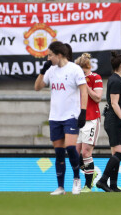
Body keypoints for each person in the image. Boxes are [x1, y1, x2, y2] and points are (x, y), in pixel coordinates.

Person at [34, 41, 88, 195]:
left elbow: (83, 92)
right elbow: (37, 87)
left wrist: (82, 112)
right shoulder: (50, 70)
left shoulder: (75, 69)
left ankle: (77, 179)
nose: (48, 58)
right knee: (58, 152)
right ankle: (60, 187)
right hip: (55, 117)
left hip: (71, 116)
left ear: (59, 55)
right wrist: (43, 71)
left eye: (50, 55)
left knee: (71, 148)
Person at [96, 52, 121, 192]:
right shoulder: (116, 80)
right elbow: (114, 103)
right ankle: (103, 180)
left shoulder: (116, 79)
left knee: (116, 153)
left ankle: (113, 185)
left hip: (113, 120)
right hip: (115, 120)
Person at [74, 53, 103, 193]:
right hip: (77, 119)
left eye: (83, 71)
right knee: (74, 153)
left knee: (86, 152)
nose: (81, 74)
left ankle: (88, 185)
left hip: (91, 119)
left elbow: (98, 98)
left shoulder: (96, 78)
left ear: (88, 68)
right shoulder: (75, 79)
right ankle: (90, 173)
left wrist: (86, 86)